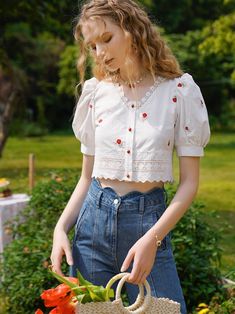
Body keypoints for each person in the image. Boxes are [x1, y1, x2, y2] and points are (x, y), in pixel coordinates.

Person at [50, 1, 210, 313]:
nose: (100, 53)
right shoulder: (95, 93)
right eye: (92, 45)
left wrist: (153, 239)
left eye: (107, 39)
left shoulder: (179, 91)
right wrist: (60, 228)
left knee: (167, 308)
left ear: (133, 31)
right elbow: (87, 178)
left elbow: (189, 184)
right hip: (90, 230)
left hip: (148, 226)